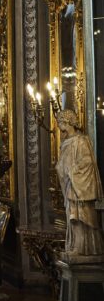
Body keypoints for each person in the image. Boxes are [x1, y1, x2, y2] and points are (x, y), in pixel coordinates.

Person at [56, 109, 104, 258]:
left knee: (78, 216)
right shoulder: (66, 142)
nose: (58, 125)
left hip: (78, 185)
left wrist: (73, 171)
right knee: (72, 215)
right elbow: (62, 163)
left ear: (68, 122)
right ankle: (75, 244)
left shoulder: (80, 140)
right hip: (70, 184)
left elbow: (88, 162)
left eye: (60, 122)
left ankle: (82, 247)